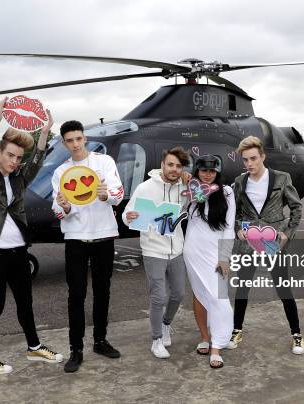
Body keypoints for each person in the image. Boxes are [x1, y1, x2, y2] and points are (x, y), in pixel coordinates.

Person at [0, 97, 62, 375]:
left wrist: (45, 131)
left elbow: (37, 160)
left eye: (18, 157)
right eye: (10, 155)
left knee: (26, 303)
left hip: (18, 252)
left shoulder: (19, 178)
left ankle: (34, 348)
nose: (14, 161)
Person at [51, 120, 124, 373]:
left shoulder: (104, 162)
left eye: (78, 139)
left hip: (104, 237)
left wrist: (106, 195)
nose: (75, 144)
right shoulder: (60, 172)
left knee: (103, 291)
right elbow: (58, 210)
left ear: (85, 139)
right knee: (76, 295)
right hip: (75, 239)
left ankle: (100, 341)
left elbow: (118, 193)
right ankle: (76, 349)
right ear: (64, 143)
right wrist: (66, 207)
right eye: (70, 140)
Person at [229, 135, 304, 355]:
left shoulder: (281, 179)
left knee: (283, 289)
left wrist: (287, 234)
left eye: (253, 158)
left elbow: (296, 208)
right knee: (242, 288)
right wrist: (237, 229)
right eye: (245, 160)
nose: (249, 164)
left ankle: (297, 334)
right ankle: (236, 330)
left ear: (263, 156)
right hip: (249, 243)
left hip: (273, 243)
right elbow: (233, 211)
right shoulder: (240, 182)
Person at [122, 147, 190, 359]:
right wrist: (128, 217)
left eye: (179, 166)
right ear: (162, 164)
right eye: (170, 164)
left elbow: (198, 202)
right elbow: (127, 214)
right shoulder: (145, 187)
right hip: (153, 251)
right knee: (158, 297)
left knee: (179, 294)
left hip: (177, 249)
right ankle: (156, 339)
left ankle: (166, 323)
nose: (174, 169)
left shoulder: (185, 188)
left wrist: (192, 183)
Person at [183, 155, 236, 369]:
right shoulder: (190, 190)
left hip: (215, 254)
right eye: (203, 170)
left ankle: (218, 345)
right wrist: (185, 181)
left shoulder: (227, 192)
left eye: (212, 171)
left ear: (217, 173)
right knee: (200, 293)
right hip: (193, 251)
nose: (207, 174)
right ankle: (205, 337)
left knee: (219, 298)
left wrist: (224, 257)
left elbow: (229, 227)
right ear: (197, 171)